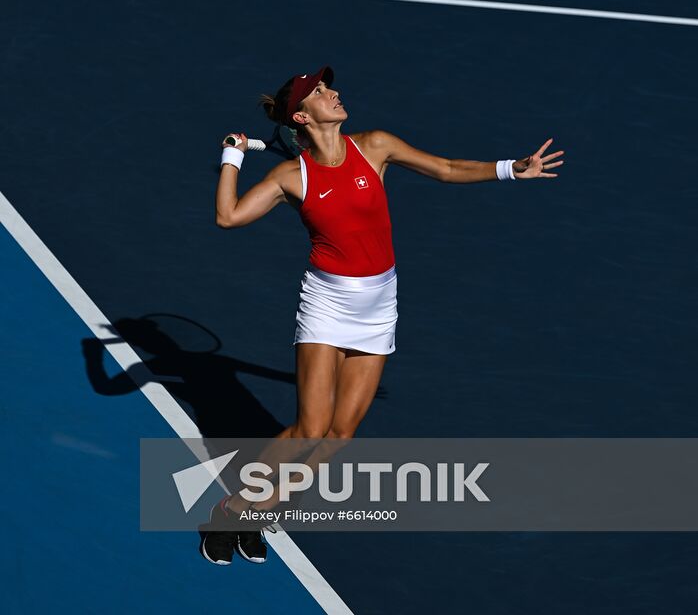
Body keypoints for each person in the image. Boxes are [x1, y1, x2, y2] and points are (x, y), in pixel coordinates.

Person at [200, 65, 564, 565]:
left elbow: (448, 168)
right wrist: (231, 157)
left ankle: (263, 510)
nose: (334, 93)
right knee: (310, 428)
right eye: (321, 92)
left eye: (330, 86)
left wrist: (510, 168)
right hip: (327, 304)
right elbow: (228, 217)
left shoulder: (375, 146)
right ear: (302, 116)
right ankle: (232, 510)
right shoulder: (291, 176)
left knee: (340, 435)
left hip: (379, 305)